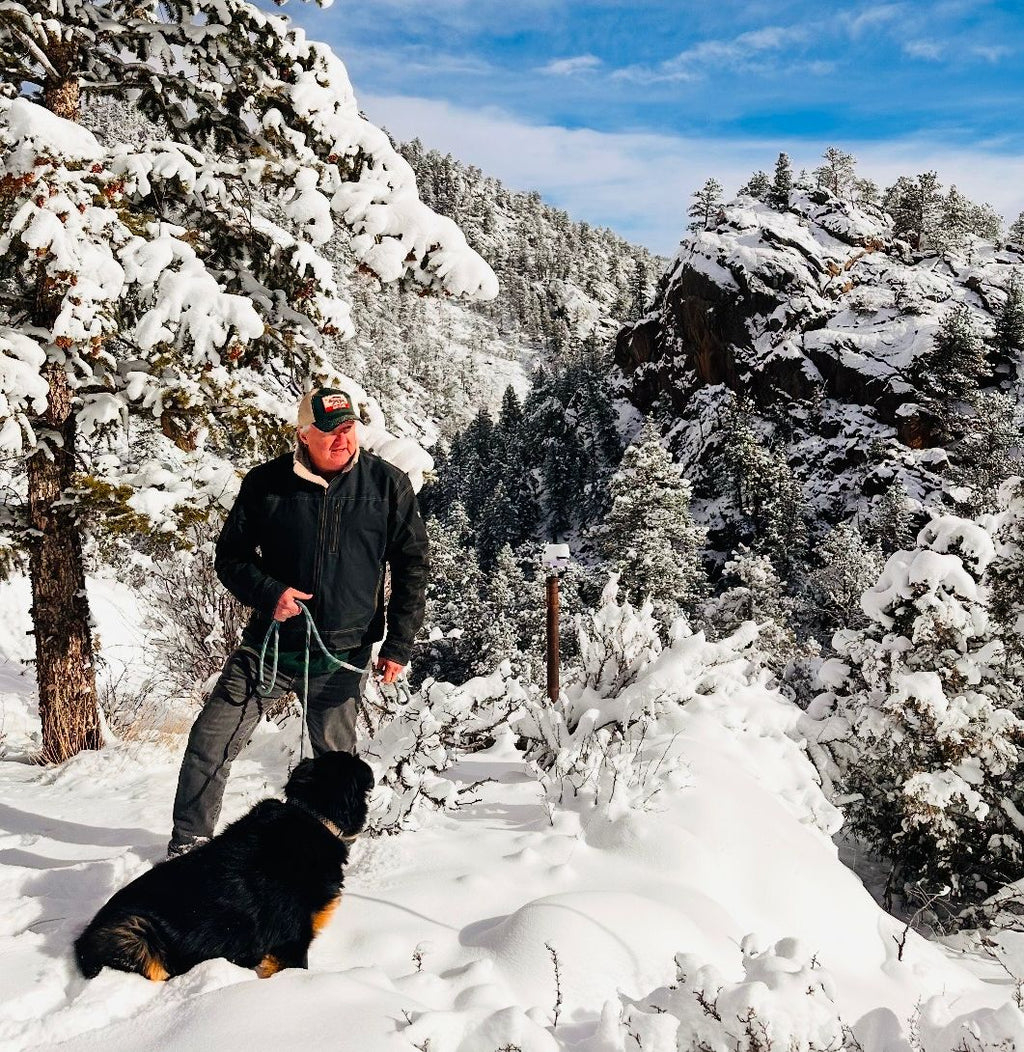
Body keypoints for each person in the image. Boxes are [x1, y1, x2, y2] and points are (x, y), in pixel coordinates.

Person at [167, 387, 429, 858]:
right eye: (329, 432)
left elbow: (412, 565)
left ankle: (334, 849)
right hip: (269, 646)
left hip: (341, 654)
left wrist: (398, 645)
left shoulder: (386, 485)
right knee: (210, 740)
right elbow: (231, 557)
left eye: (348, 429)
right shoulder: (266, 483)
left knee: (335, 766)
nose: (342, 440)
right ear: (304, 434)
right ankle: (189, 846)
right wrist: (270, 593)